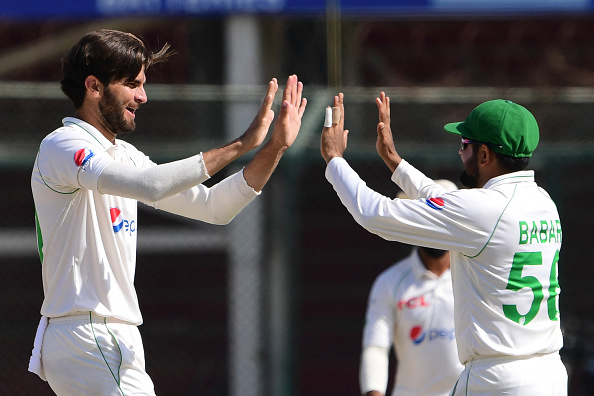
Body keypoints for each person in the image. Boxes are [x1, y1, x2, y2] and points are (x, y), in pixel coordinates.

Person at [29, 29, 307, 396]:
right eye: (132, 84)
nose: (143, 96)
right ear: (93, 86)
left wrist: (274, 148)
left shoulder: (124, 155)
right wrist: (242, 144)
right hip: (90, 332)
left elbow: (214, 208)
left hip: (105, 336)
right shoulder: (64, 144)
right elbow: (151, 186)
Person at [321, 93, 567, 395]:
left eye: (465, 145)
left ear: (485, 155)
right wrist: (396, 164)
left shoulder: (484, 209)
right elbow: (452, 206)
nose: (460, 153)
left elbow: (375, 213)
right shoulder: (543, 202)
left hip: (498, 379)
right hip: (550, 374)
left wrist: (334, 161)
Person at [360, 180, 464, 396]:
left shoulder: (476, 277)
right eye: (428, 220)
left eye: (442, 221)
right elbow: (376, 348)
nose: (435, 230)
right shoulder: (390, 281)